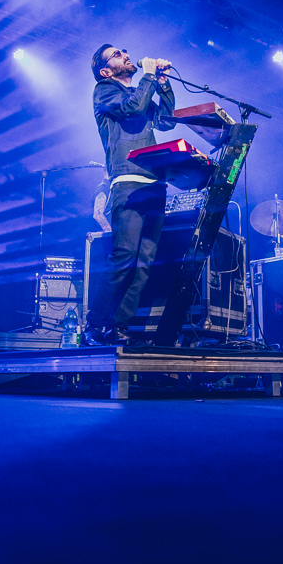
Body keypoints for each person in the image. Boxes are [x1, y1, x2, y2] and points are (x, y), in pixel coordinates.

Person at [83, 44, 176, 346]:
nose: (125, 54)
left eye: (124, 50)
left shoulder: (140, 91)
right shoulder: (104, 91)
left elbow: (166, 121)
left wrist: (163, 85)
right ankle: (94, 326)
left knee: (145, 262)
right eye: (116, 54)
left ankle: (119, 326)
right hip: (127, 181)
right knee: (124, 255)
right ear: (105, 71)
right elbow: (132, 108)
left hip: (154, 183)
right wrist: (149, 76)